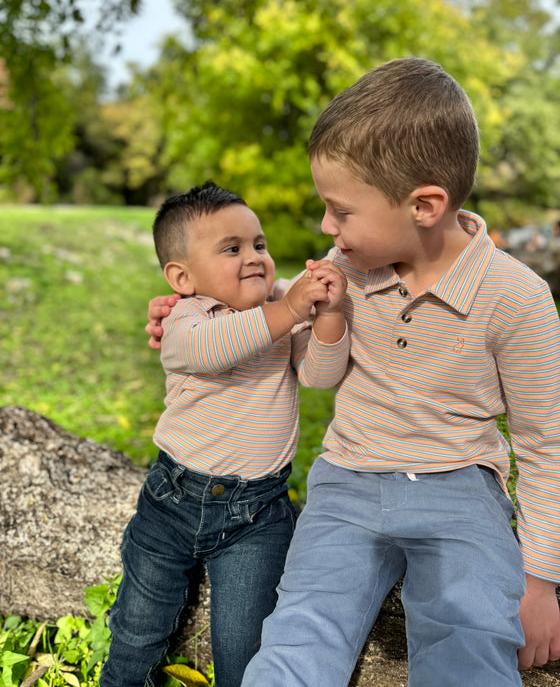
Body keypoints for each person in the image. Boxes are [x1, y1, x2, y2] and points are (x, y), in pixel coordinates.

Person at [146, 59, 560, 686]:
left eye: (340, 211)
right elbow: (285, 302)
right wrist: (197, 310)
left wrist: (539, 580)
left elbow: (544, 442)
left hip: (460, 492)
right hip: (347, 485)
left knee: (468, 639)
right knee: (300, 632)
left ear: (424, 205)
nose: (325, 229)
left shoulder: (517, 298)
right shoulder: (350, 266)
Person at [101, 181, 349, 687]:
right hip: (171, 501)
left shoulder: (280, 310)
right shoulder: (187, 320)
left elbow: (321, 375)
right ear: (182, 277)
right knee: (136, 631)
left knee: (243, 648)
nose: (254, 257)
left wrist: (328, 318)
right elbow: (213, 350)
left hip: (256, 516)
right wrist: (289, 310)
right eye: (231, 249)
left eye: (259, 244)